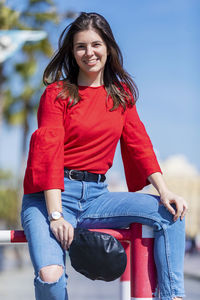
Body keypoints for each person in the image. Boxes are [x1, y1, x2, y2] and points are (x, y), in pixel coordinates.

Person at [21, 12, 188, 300]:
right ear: (72, 53)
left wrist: (164, 191)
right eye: (80, 46)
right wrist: (56, 214)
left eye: (96, 45)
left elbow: (140, 145)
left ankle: (172, 296)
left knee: (170, 213)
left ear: (108, 48)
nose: (89, 53)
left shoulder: (121, 96)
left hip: (98, 197)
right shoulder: (57, 93)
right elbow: (49, 151)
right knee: (50, 276)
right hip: (50, 197)